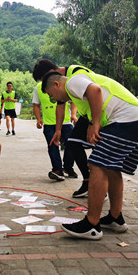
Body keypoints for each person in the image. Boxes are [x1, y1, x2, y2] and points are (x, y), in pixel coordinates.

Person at [41, 69, 138, 240]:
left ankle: (91, 224)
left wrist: (95, 122)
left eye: (52, 95)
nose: (55, 99)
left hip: (127, 119)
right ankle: (116, 218)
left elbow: (96, 91)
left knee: (97, 164)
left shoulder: (72, 82)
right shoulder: (76, 93)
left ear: (57, 84)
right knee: (111, 168)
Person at [32, 59, 92, 197]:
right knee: (73, 143)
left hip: (99, 114)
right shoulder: (61, 84)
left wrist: (94, 123)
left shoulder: (76, 75)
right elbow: (60, 105)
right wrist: (58, 130)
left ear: (51, 73)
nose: (44, 85)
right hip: (86, 115)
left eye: (44, 80)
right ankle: (88, 181)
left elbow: (95, 92)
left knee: (96, 154)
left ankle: (97, 185)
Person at [32, 82, 78, 181]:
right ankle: (57, 170)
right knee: (53, 145)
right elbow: (36, 105)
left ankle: (68, 167)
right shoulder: (38, 88)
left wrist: (73, 114)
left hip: (66, 122)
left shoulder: (61, 85)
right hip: (49, 124)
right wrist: (38, 119)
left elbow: (73, 101)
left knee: (72, 143)